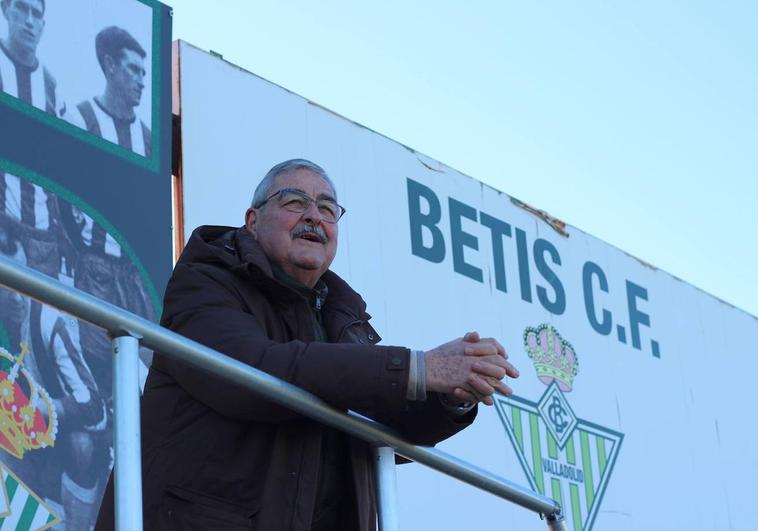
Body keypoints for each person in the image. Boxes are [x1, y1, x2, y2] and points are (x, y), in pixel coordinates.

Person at [95, 159, 519, 531]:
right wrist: (422, 368)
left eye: (327, 208)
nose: (314, 217)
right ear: (252, 220)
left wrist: (451, 396)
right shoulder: (205, 282)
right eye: (294, 202)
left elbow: (386, 427)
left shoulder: (343, 320)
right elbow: (255, 373)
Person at [0, 222, 107, 530]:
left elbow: (93, 405)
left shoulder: (48, 320)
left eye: (25, 283)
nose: (19, 298)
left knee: (83, 445)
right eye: (10, 287)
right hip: (16, 444)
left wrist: (46, 409)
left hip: (51, 442)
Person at [70, 26, 151, 156]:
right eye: (134, 70)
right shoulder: (79, 117)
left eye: (143, 74)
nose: (142, 83)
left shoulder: (148, 139)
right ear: (110, 64)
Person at [0, 0, 64, 115]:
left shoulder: (51, 88)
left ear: (42, 25)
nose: (29, 21)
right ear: (5, 9)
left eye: (36, 14)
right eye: (22, 8)